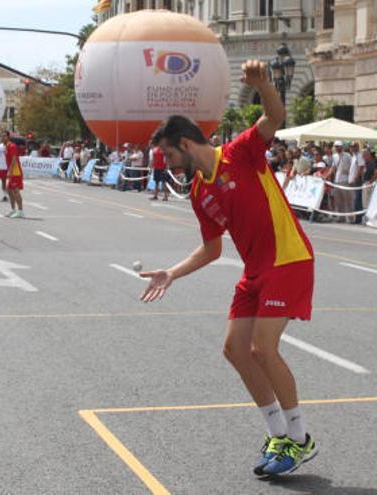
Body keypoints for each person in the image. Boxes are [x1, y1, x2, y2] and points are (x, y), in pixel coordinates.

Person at [140, 60, 318, 477]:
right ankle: (278, 434)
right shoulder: (200, 191)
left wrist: (263, 85)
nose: (166, 164)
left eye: (168, 154)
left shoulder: (239, 153)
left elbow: (274, 117)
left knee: (262, 348)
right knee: (235, 349)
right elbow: (211, 249)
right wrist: (172, 273)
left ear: (185, 143)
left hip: (289, 259)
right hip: (255, 270)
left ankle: (300, 437)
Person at [6, 135, 25, 218]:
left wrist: (10, 171)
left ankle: (20, 211)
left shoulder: (12, 146)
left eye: (4, 136)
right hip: (13, 171)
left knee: (15, 191)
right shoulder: (7, 146)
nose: (1, 138)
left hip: (15, 172)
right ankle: (13, 209)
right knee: (9, 189)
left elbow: (14, 158)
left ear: (8, 138)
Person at [0, 134, 10, 202]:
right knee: (3, 181)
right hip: (2, 167)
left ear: (8, 137)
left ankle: (11, 194)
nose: (3, 137)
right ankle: (5, 195)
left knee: (11, 182)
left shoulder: (10, 146)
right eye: (2, 136)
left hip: (9, 167)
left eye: (5, 136)